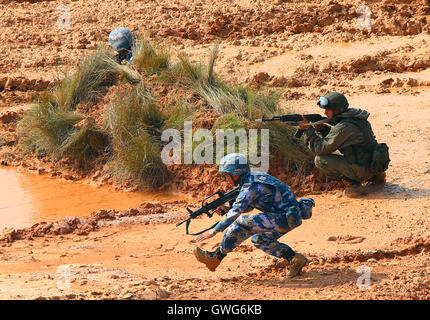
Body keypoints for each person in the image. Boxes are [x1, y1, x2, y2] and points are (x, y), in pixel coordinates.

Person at [192, 153, 315, 278]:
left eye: (226, 175)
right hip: (287, 217)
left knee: (241, 222)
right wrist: (227, 209)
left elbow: (236, 212)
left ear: (235, 174)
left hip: (285, 217)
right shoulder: (253, 178)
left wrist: (213, 231)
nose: (226, 179)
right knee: (260, 240)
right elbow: (249, 206)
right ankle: (294, 259)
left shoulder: (250, 186)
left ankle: (216, 257)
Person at [299, 92, 389, 197]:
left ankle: (353, 185)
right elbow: (341, 138)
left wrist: (308, 131)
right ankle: (376, 176)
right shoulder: (355, 118)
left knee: (320, 160)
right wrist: (323, 129)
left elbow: (320, 148)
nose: (325, 113)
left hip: (363, 169)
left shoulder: (345, 127)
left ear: (337, 110)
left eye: (328, 109)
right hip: (373, 164)